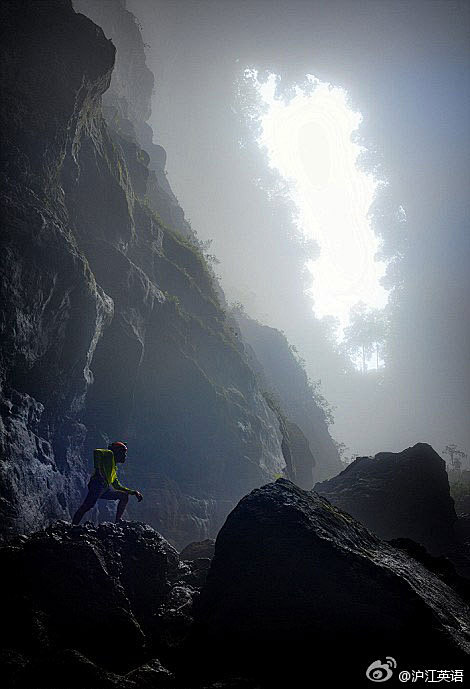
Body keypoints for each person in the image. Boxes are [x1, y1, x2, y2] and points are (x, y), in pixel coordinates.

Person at [72, 441, 143, 525]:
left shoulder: (113, 469)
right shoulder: (110, 454)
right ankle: (73, 526)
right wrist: (98, 470)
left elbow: (117, 486)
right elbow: (97, 452)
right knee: (87, 506)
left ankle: (118, 521)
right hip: (97, 485)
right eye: (123, 452)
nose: (125, 456)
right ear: (117, 452)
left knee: (124, 496)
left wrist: (133, 492)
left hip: (104, 488)